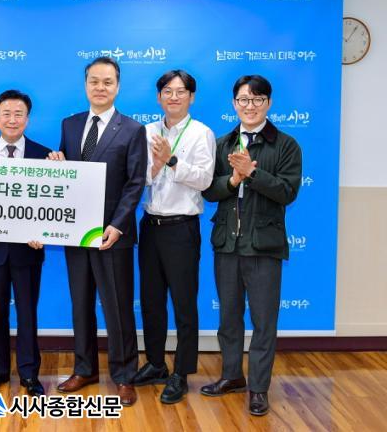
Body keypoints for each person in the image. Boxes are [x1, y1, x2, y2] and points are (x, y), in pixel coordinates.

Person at [48, 57, 147, 406]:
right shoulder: (70, 124)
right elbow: (69, 176)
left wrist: (117, 226)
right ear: (85, 84)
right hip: (76, 233)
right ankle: (85, 368)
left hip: (112, 235)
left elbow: (135, 183)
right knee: (81, 305)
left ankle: (124, 376)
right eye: (94, 81)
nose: (100, 87)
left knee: (117, 308)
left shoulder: (133, 129)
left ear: (117, 86)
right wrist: (57, 165)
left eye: (107, 82)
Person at [200, 75, 302, 416]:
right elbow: (209, 191)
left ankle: (258, 388)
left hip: (263, 246)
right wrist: (232, 179)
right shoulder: (222, 143)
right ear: (234, 104)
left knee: (263, 322)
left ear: (268, 103)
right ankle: (232, 376)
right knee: (229, 317)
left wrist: (252, 174)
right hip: (227, 244)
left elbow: (287, 192)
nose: (250, 106)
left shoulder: (286, 145)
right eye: (244, 100)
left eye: (258, 100)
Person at [132, 70, 216, 404]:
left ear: (191, 97)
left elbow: (205, 180)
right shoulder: (147, 131)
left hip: (182, 227)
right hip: (150, 226)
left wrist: (171, 160)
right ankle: (155, 363)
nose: (174, 97)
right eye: (167, 91)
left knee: (183, 304)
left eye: (181, 92)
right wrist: (154, 166)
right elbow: (138, 178)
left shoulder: (201, 133)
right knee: (151, 301)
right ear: (158, 97)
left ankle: (181, 372)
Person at [0, 90, 51, 396]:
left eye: (19, 114)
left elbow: (53, 205)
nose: (12, 119)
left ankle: (29, 374)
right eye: (6, 113)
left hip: (28, 251)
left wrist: (45, 232)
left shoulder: (45, 156)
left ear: (27, 119)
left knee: (28, 313)